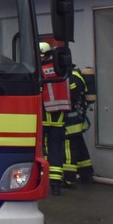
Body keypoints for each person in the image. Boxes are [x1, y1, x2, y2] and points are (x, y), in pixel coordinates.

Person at [40, 41, 71, 196]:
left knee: (39, 149)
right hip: (59, 115)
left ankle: (40, 179)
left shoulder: (41, 70)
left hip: (44, 114)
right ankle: (56, 184)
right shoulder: (62, 69)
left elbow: (37, 90)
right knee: (56, 150)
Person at [63, 64, 95, 186]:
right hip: (76, 120)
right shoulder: (77, 76)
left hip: (70, 122)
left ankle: (68, 178)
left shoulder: (71, 78)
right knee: (80, 147)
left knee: (68, 149)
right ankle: (86, 174)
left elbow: (70, 96)